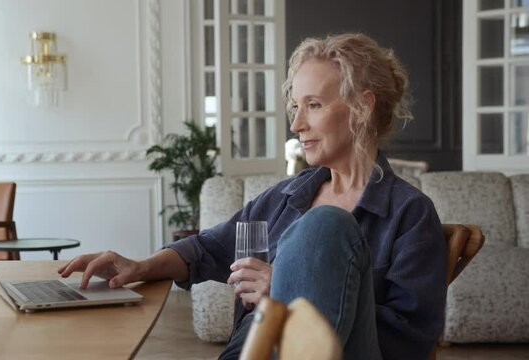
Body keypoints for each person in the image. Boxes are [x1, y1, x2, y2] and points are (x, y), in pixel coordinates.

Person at [58, 33, 447, 360]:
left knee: (327, 223)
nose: (296, 124)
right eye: (296, 106)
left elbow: (409, 341)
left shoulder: (410, 215)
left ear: (363, 105)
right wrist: (140, 267)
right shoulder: (285, 197)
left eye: (313, 105)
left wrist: (287, 292)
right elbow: (208, 248)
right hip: (249, 352)